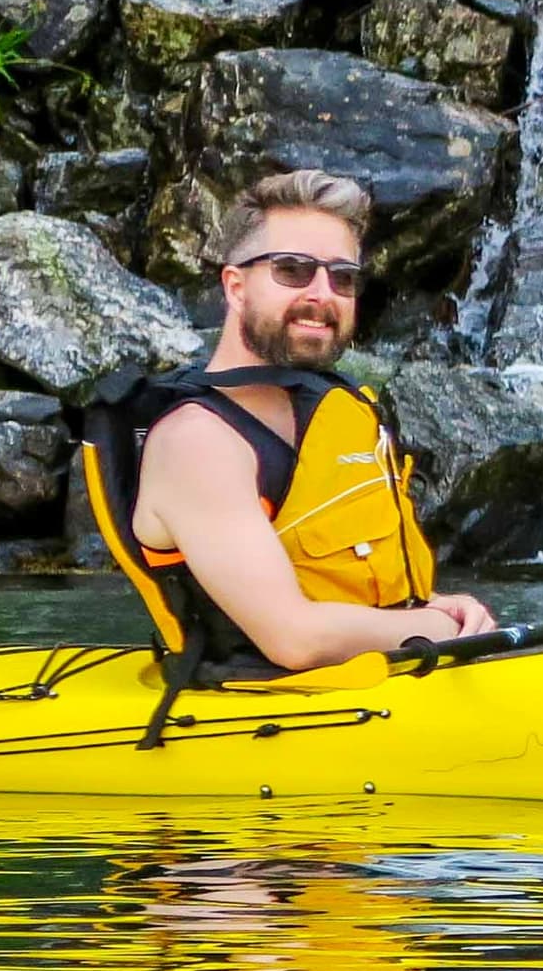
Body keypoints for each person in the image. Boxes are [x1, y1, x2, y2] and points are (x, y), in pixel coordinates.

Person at [80, 170, 493, 678]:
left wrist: (436, 608)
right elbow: (293, 639)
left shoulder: (330, 410)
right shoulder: (198, 441)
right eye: (293, 270)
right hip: (256, 719)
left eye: (343, 277)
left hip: (374, 685)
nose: (323, 293)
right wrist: (442, 628)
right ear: (235, 287)